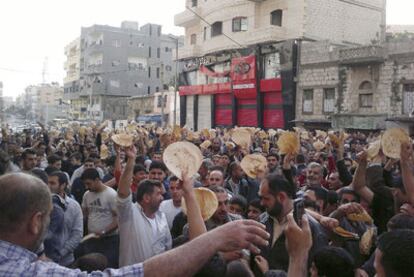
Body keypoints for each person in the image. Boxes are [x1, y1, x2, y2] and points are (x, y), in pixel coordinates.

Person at [0, 172, 270, 277]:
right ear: (36, 222)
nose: (164, 194)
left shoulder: (164, 217)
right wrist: (215, 239)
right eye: (48, 219)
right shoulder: (129, 216)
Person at [252, 174, 327, 274]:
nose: (261, 203)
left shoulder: (310, 228)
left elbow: (315, 271)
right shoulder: (262, 220)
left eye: (266, 198)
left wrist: (269, 273)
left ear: (281, 197)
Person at [117, 145, 172, 266]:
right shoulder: (129, 214)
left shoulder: (161, 216)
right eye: (158, 194)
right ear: (146, 198)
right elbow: (122, 193)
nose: (162, 197)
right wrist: (131, 159)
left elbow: (167, 247)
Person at [80, 168, 119, 268]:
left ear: (97, 180)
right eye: (85, 184)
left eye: (89, 183)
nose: (86, 187)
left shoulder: (111, 194)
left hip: (109, 240)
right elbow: (84, 214)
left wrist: (103, 231)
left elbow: (118, 219)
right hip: (92, 239)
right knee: (91, 266)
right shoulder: (87, 195)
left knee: (107, 266)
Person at [48, 171, 83, 266]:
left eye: (52, 183)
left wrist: (60, 253)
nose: (48, 186)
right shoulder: (41, 203)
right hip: (42, 260)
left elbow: (77, 234)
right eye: (47, 183)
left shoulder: (74, 206)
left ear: (63, 185)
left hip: (65, 262)